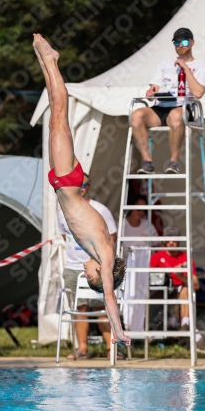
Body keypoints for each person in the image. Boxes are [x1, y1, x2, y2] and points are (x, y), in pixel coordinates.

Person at [33, 33, 130, 348]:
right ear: (102, 271)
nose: (86, 270)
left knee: (54, 120)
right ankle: (51, 61)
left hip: (64, 183)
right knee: (59, 114)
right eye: (93, 275)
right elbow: (110, 298)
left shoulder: (96, 253)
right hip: (68, 181)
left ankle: (45, 63)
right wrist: (119, 330)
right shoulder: (104, 253)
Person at [58, 172, 120, 359]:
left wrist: (98, 261)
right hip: (73, 267)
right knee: (80, 309)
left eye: (84, 185)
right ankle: (82, 348)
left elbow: (112, 239)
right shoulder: (63, 211)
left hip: (96, 268)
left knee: (101, 308)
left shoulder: (100, 210)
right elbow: (65, 236)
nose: (80, 188)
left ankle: (111, 348)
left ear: (89, 187)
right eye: (77, 184)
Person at [131, 27, 205, 175]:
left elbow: (198, 93)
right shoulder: (164, 65)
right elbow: (155, 86)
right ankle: (147, 161)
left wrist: (185, 68)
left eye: (184, 42)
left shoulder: (202, 66)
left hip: (184, 107)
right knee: (136, 115)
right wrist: (151, 92)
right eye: (177, 42)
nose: (180, 45)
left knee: (175, 115)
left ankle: (174, 161)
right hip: (162, 106)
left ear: (192, 43)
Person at [150, 226, 205, 353]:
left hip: (182, 294)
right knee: (185, 292)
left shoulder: (186, 258)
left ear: (179, 241)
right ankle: (194, 333)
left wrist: (180, 275)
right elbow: (149, 281)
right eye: (168, 239)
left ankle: (184, 325)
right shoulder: (156, 257)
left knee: (186, 290)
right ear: (164, 241)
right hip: (162, 294)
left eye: (174, 239)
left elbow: (196, 285)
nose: (171, 242)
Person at [122, 195, 159, 331]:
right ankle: (125, 326)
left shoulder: (148, 225)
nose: (141, 212)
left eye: (144, 209)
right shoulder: (121, 224)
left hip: (143, 269)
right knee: (125, 295)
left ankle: (137, 329)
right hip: (123, 269)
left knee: (140, 296)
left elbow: (157, 244)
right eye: (139, 208)